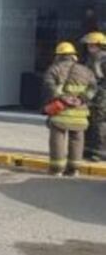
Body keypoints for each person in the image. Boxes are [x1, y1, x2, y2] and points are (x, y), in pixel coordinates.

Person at [43, 41, 97, 176]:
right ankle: (74, 169)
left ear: (58, 56)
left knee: (58, 139)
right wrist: (82, 99)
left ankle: (57, 169)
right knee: (77, 140)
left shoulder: (53, 70)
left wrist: (62, 97)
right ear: (74, 56)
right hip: (79, 113)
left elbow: (48, 86)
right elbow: (93, 88)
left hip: (60, 111)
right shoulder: (85, 70)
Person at [80, 31, 106, 161]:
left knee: (100, 123)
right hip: (92, 95)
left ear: (99, 45)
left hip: (101, 96)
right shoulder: (91, 58)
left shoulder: (103, 58)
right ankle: (88, 149)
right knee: (89, 122)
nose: (89, 47)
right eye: (89, 45)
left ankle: (101, 151)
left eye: (92, 45)